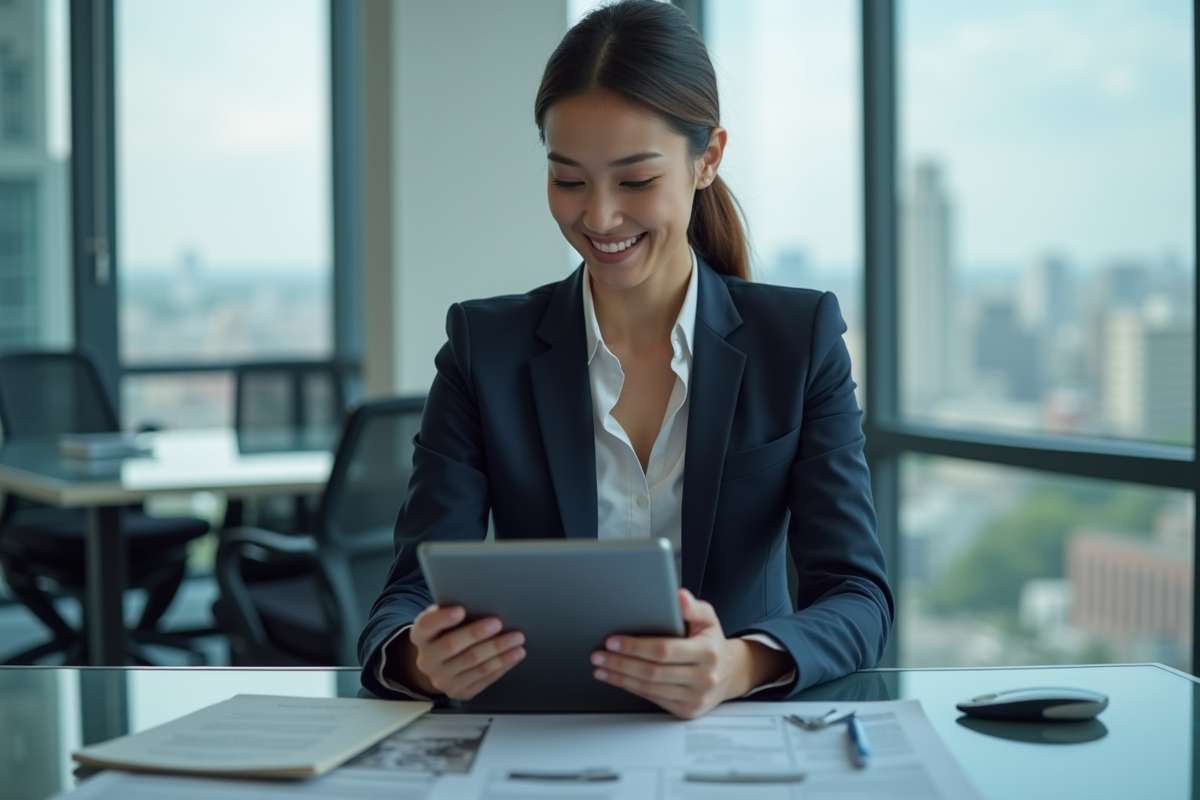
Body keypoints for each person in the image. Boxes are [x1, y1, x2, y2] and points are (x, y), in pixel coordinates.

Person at [359, 0, 892, 720]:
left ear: (708, 159)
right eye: (569, 180)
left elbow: (858, 598)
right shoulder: (483, 350)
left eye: (636, 181)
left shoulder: (797, 340)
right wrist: (420, 659)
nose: (599, 218)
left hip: (734, 742)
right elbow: (405, 599)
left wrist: (738, 664)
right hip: (541, 739)